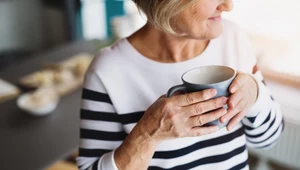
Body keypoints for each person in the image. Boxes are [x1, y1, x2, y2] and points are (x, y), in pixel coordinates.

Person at [77, 0, 283, 169]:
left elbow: (268, 139)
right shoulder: (108, 71)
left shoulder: (233, 38)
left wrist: (256, 94)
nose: (228, 5)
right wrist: (147, 135)